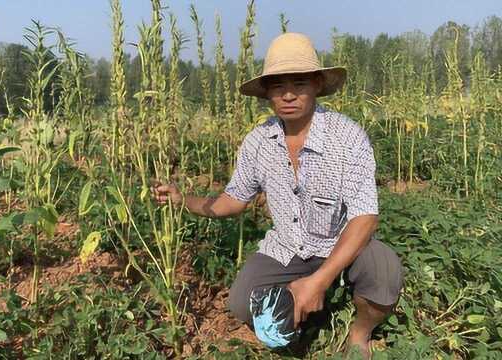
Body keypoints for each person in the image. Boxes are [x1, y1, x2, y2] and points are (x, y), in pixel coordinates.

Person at [151, 32, 403, 358]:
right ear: (267, 92)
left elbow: (365, 216)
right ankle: (305, 326)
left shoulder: (347, 137)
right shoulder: (259, 141)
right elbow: (232, 201)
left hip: (340, 245)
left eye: (298, 83)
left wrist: (319, 281)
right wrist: (181, 199)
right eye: (277, 86)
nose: (287, 95)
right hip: (287, 248)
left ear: (316, 85)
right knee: (243, 304)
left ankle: (358, 333)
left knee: (383, 269)